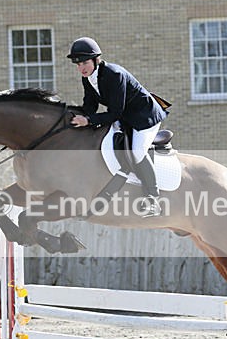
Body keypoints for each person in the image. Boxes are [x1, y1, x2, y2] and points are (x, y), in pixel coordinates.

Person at [68, 36, 167, 218]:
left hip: (144, 117)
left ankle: (153, 200)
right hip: (125, 117)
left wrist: (88, 121)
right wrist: (70, 115)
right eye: (77, 64)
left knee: (137, 151)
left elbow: (115, 112)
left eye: (84, 62)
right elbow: (89, 106)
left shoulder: (114, 75)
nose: (81, 68)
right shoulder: (88, 78)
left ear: (96, 59)